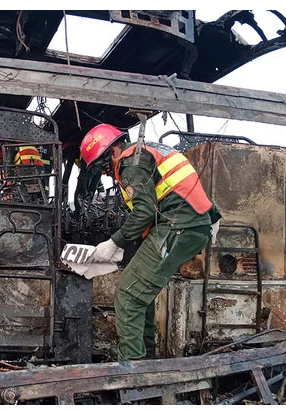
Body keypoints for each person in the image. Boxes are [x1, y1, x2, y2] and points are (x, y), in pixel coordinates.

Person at [80, 123, 221, 361]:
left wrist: (115, 243)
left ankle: (133, 374)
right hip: (187, 225)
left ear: (113, 151)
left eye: (103, 166)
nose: (104, 173)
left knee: (128, 296)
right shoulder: (148, 151)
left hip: (177, 228)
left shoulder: (129, 163)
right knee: (140, 296)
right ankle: (146, 365)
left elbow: (145, 210)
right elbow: (170, 195)